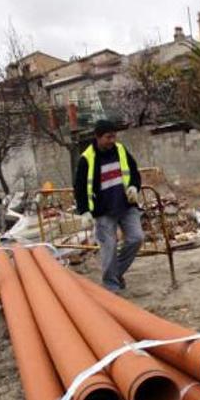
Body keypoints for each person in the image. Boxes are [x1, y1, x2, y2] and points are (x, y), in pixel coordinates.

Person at [74, 120, 143, 292]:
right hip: (103, 211)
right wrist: (84, 212)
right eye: (108, 137)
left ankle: (114, 274)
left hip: (126, 206)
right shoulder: (87, 159)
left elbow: (134, 172)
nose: (112, 140)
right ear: (98, 137)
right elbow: (80, 187)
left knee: (137, 238)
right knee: (109, 247)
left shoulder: (120, 150)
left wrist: (134, 186)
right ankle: (111, 286)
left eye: (114, 136)